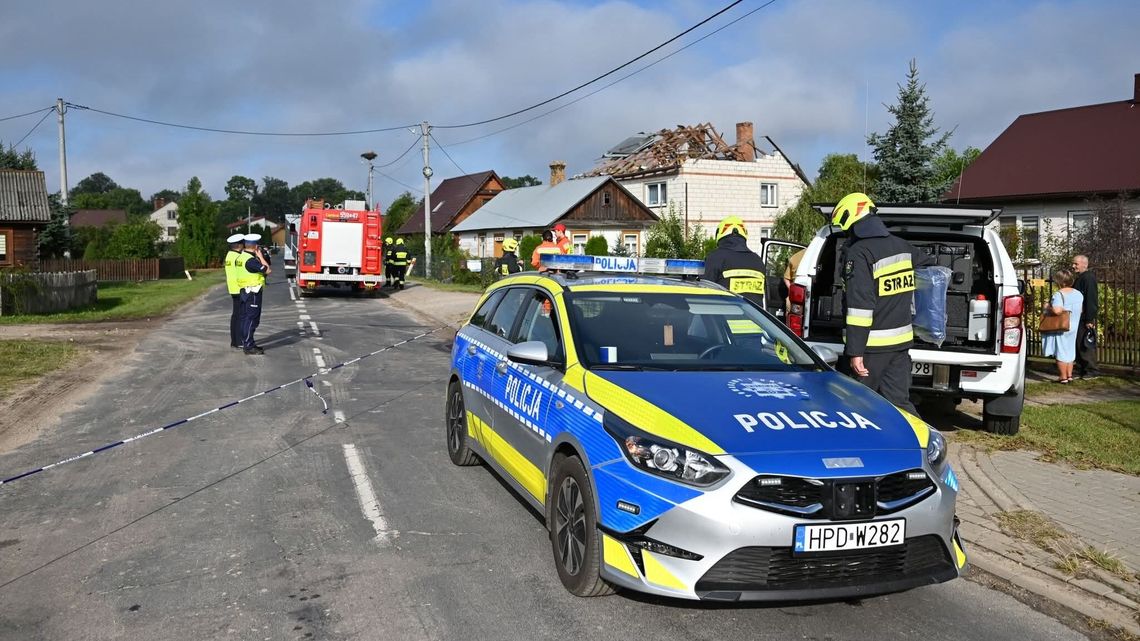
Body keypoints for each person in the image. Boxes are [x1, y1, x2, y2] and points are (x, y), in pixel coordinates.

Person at [833, 192, 934, 413]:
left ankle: (856, 447)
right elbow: (930, 267)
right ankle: (922, 444)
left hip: (872, 347)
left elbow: (860, 306)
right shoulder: (903, 246)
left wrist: (855, 351)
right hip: (900, 345)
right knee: (900, 404)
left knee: (855, 406)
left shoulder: (859, 253)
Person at [703, 216, 767, 307]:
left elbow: (704, 290)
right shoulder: (758, 261)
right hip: (753, 319)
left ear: (720, 234)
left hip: (724, 318)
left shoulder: (716, 257)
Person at [1041, 266, 1084, 384]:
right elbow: (1080, 310)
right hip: (1074, 325)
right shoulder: (1078, 293)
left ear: (1060, 281)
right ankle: (1070, 375)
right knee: (1070, 350)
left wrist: (1047, 307)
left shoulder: (1058, 294)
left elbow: (1057, 311)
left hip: (1062, 326)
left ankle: (1063, 376)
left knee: (1061, 350)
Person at [238, 233, 271, 355]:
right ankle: (248, 345)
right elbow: (268, 270)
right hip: (253, 292)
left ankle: (247, 342)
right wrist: (260, 256)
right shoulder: (251, 261)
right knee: (252, 319)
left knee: (245, 319)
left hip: (244, 291)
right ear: (255, 246)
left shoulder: (241, 258)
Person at [1072, 254, 1100, 379]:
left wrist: (1089, 318)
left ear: (1084, 264)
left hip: (1084, 317)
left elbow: (1091, 299)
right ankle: (1083, 368)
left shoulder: (1088, 278)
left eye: (1076, 264)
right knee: (1079, 343)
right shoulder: (1082, 277)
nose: (1073, 266)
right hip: (1080, 316)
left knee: (1085, 343)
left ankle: (1091, 370)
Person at [224, 233, 246, 349]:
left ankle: (234, 340)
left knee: (235, 315)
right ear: (238, 245)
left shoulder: (229, 255)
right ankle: (239, 341)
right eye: (242, 243)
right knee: (240, 316)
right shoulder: (238, 257)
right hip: (240, 288)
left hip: (232, 287)